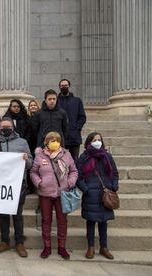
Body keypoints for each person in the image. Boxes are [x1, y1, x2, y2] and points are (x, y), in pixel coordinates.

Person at [30, 131, 78, 260]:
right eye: (52, 140)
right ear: (46, 142)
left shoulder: (66, 155)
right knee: (46, 220)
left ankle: (62, 247)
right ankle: (47, 247)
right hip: (45, 193)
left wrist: (70, 182)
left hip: (62, 193)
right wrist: (39, 183)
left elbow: (73, 171)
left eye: (57, 140)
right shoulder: (40, 156)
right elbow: (33, 172)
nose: (54, 142)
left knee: (62, 221)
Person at [0, 118, 32, 258]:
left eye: (8, 126)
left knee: (17, 214)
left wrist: (26, 159)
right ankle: (4, 241)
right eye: (3, 127)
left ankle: (19, 242)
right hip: (1, 185)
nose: (5, 129)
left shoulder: (22, 142)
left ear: (13, 127)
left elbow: (31, 164)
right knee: (3, 214)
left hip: (19, 185)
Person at [76, 132, 119, 260]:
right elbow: (78, 176)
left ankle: (104, 247)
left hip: (105, 193)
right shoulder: (84, 157)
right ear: (89, 142)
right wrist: (85, 189)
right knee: (90, 221)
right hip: (91, 194)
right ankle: (90, 247)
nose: (97, 142)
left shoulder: (107, 156)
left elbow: (115, 173)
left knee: (103, 222)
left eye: (99, 139)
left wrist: (114, 186)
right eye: (94, 140)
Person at [57, 79, 87, 161]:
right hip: (60, 136)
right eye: (62, 86)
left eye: (66, 85)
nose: (64, 87)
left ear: (69, 86)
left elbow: (82, 117)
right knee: (60, 160)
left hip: (74, 136)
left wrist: (77, 128)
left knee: (75, 160)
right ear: (59, 87)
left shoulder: (77, 101)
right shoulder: (56, 101)